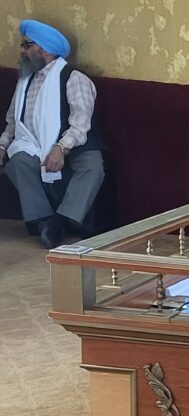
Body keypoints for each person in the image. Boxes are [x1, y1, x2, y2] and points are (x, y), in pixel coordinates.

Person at [0, 19, 104, 248]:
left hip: (74, 144)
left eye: (27, 45)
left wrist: (60, 147)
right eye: (22, 45)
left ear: (45, 49)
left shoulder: (74, 79)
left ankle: (59, 222)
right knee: (17, 162)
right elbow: (12, 122)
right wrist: (2, 145)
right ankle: (43, 220)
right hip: (35, 144)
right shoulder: (25, 82)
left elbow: (80, 124)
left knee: (93, 167)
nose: (22, 51)